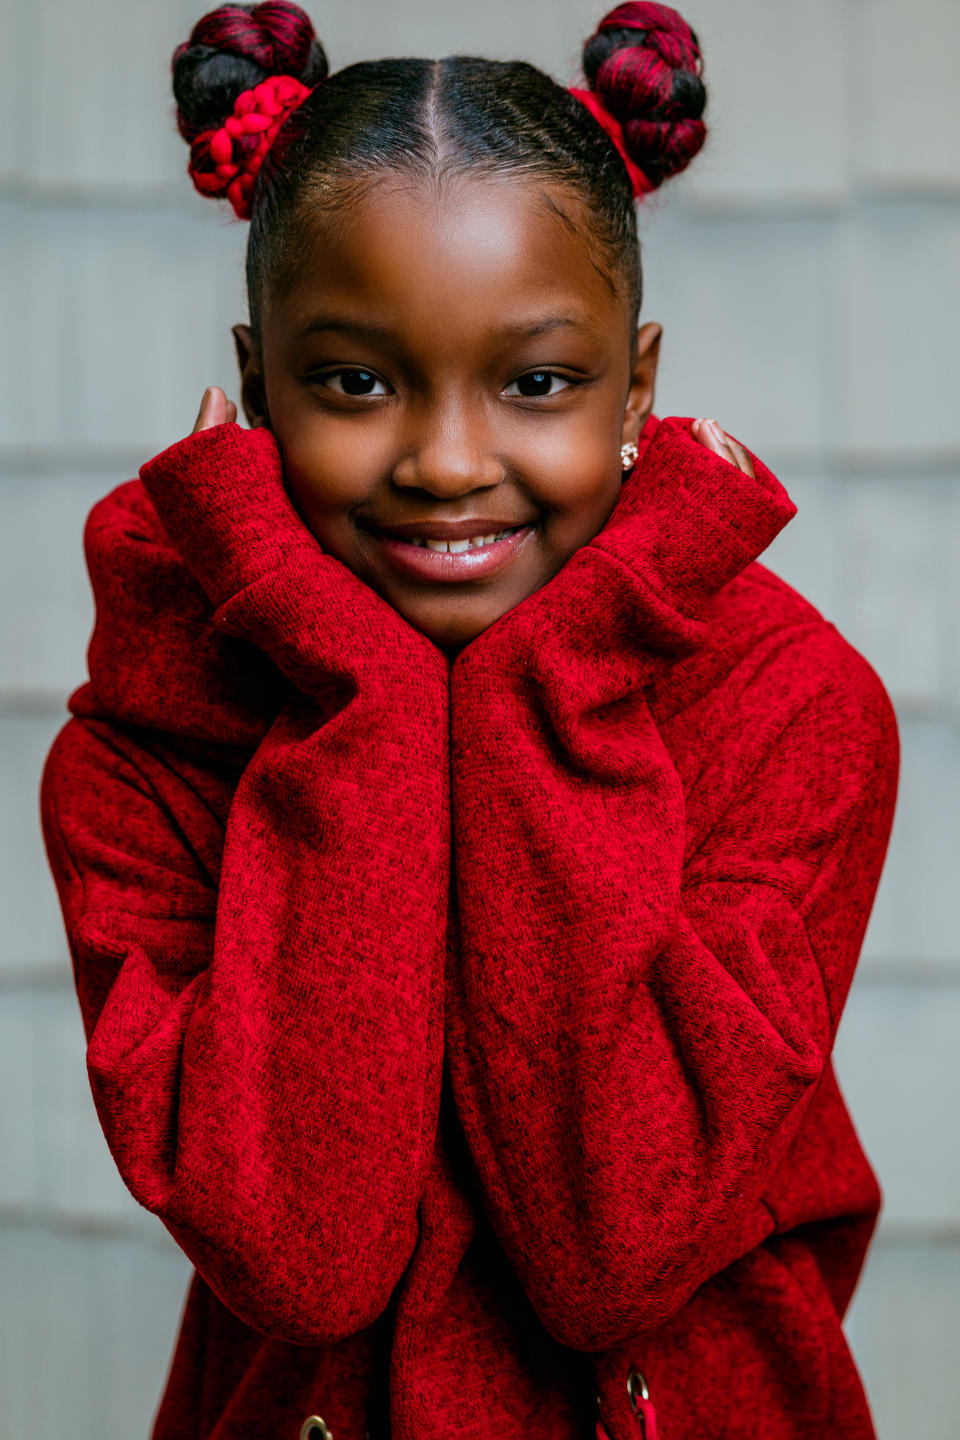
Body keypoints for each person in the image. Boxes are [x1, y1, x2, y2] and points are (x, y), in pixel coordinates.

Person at [38, 2, 900, 1437]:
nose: (447, 461)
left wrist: (542, 684)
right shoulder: (135, 757)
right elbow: (303, 1260)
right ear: (258, 391)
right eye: (356, 382)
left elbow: (607, 1251)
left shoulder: (794, 711)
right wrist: (362, 693)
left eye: (540, 382)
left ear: (640, 385)